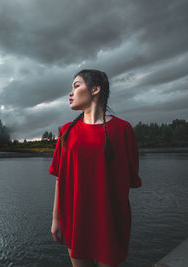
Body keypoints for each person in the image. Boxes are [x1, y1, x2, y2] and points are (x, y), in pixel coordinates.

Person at [49, 69, 142, 267]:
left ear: (95, 89)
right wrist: (55, 219)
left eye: (76, 86)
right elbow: (60, 178)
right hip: (75, 221)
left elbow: (130, 180)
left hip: (110, 222)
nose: (70, 93)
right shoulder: (67, 131)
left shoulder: (123, 129)